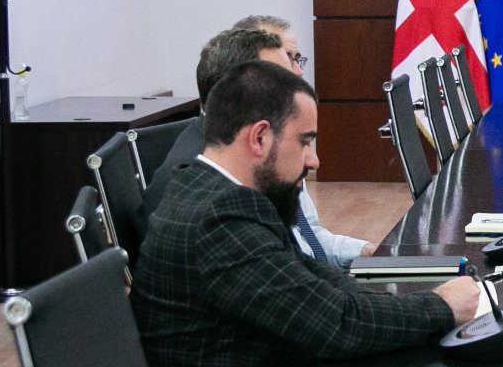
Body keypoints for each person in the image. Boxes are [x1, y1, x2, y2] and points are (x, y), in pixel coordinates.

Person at [131, 61, 479, 367]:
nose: (314, 161)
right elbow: (336, 324)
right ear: (260, 138)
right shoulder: (221, 220)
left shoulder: (206, 187)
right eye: (305, 141)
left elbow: (310, 276)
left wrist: (396, 302)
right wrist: (443, 307)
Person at [146, 18, 373, 263]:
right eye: (281, 73)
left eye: (296, 59)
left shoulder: (264, 149)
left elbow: (306, 241)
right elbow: (285, 271)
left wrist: (366, 252)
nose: (298, 73)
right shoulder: (222, 188)